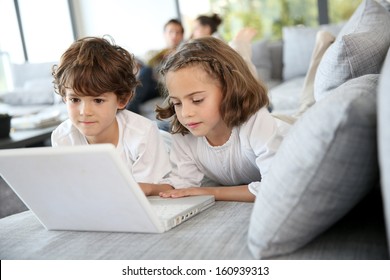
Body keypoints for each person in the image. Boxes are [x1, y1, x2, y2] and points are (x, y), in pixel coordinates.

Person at [141, 37, 290, 202]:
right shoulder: (186, 134)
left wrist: (212, 192)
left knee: (309, 104)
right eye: (177, 103)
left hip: (288, 127)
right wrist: (147, 188)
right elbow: (181, 184)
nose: (185, 113)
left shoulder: (255, 122)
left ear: (229, 91)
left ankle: (241, 47)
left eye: (197, 100)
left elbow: (276, 186)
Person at [51, 36, 172, 188]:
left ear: (122, 100)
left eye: (98, 100)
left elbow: (154, 192)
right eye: (75, 100)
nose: (85, 111)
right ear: (64, 97)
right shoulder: (62, 137)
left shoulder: (142, 134)